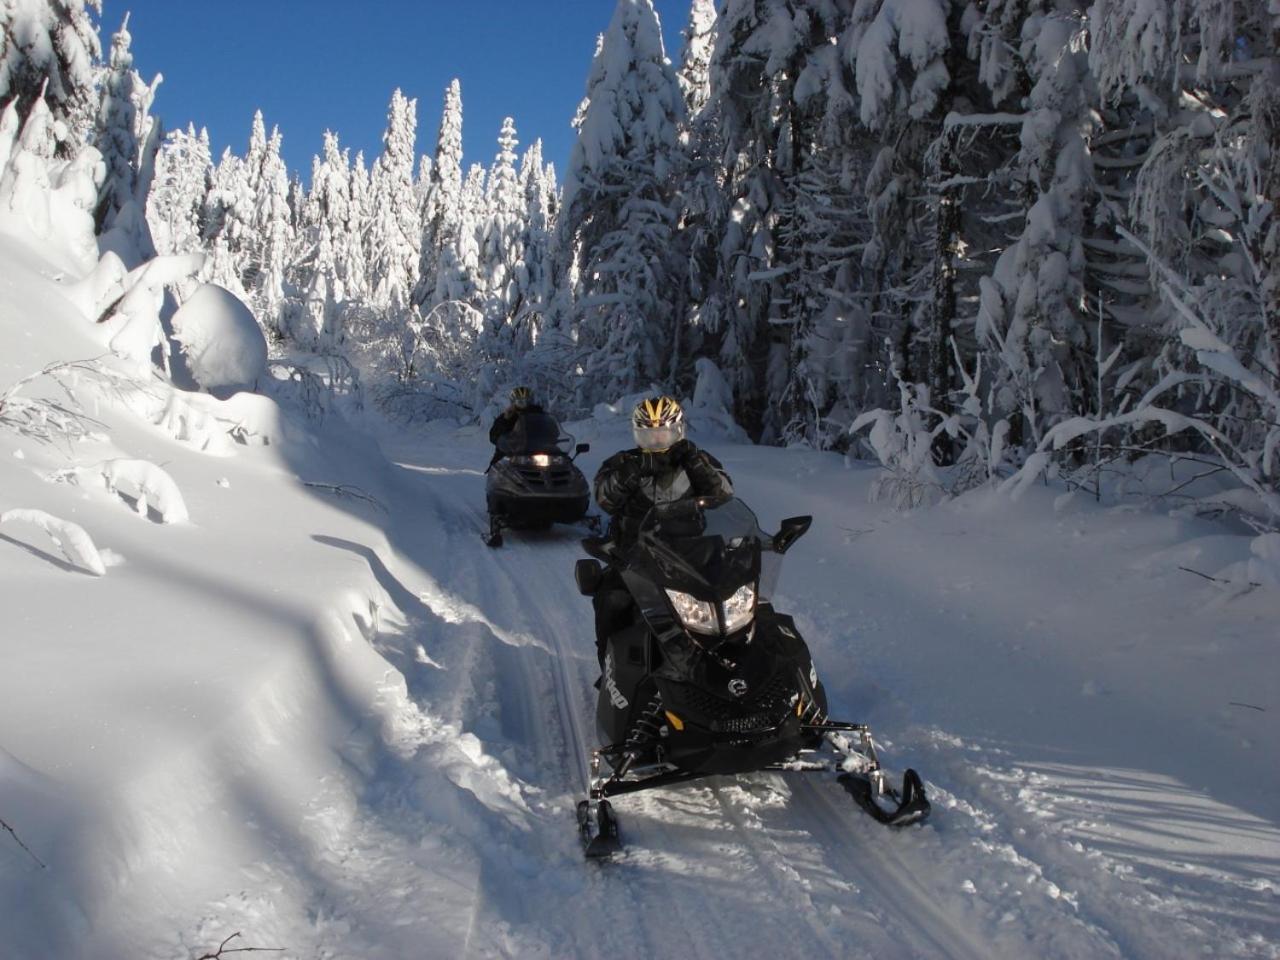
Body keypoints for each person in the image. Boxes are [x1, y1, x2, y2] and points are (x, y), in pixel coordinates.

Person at [590, 395, 733, 664]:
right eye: (649, 435)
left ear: (678, 431)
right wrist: (630, 473)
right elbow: (603, 498)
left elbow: (724, 495)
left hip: (691, 554)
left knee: (734, 601)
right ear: (637, 435)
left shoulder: (696, 459)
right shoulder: (623, 462)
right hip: (634, 557)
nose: (657, 441)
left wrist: (696, 464)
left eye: (664, 433)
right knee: (611, 601)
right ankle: (611, 666)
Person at [488, 386, 543, 466]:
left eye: (526, 401)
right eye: (520, 402)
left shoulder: (539, 415)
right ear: (514, 402)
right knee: (497, 468)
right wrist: (505, 421)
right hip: (510, 452)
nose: (523, 404)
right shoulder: (507, 416)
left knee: (559, 462)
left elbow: (553, 431)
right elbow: (493, 436)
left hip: (536, 452)